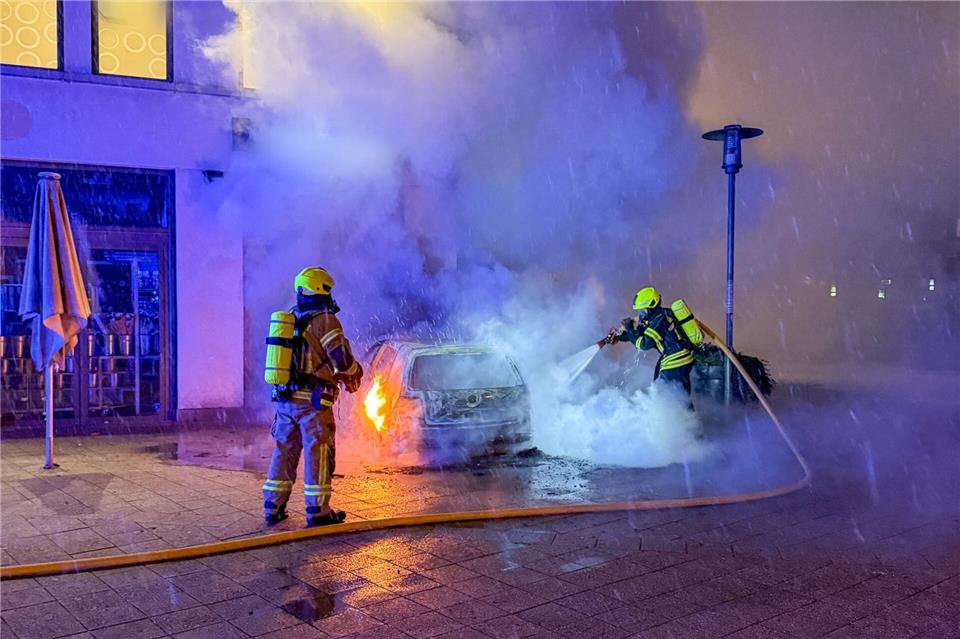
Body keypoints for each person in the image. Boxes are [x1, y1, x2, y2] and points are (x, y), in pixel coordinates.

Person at [263, 267, 363, 527]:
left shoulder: (290, 318)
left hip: (285, 400)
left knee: (284, 450)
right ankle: (318, 511)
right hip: (313, 402)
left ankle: (273, 506)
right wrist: (354, 371)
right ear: (322, 290)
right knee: (317, 452)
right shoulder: (326, 320)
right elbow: (341, 359)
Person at [605, 286, 696, 396]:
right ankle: (686, 413)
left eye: (643, 310)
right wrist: (619, 337)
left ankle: (676, 412)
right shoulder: (657, 317)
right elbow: (639, 335)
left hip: (676, 360)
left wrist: (629, 328)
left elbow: (643, 344)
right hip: (678, 358)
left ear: (651, 307)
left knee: (667, 396)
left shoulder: (659, 319)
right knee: (680, 398)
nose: (640, 314)